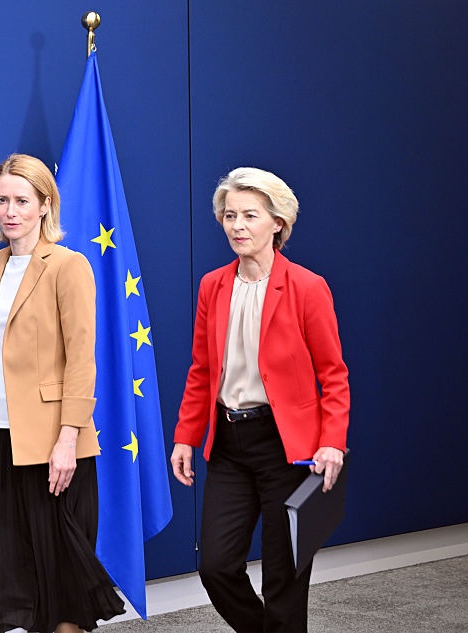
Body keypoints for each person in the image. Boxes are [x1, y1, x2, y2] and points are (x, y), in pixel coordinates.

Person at [0, 154, 124, 633]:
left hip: (53, 443)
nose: (10, 211)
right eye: (2, 200)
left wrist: (68, 439)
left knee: (60, 591)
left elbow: (81, 360)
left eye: (22, 201)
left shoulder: (68, 266)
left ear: (45, 205)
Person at [169, 167, 350, 632]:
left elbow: (333, 375)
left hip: (286, 448)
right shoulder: (213, 285)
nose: (237, 226)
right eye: (230, 215)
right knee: (216, 567)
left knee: (283, 576)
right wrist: (186, 437)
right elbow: (201, 370)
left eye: (250, 215)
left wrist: (332, 442)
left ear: (277, 223)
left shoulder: (308, 287)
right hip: (229, 444)